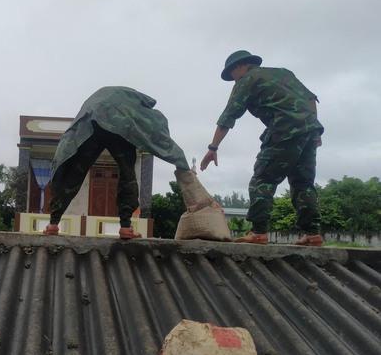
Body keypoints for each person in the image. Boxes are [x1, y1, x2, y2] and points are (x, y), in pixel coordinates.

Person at [200, 50, 324, 246]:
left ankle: (258, 232)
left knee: (262, 180)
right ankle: (313, 234)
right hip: (309, 131)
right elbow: (310, 99)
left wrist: (212, 147)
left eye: (232, 75)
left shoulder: (247, 80)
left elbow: (229, 116)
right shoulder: (284, 73)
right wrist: (315, 132)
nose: (233, 80)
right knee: (303, 183)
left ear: (240, 67)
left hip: (284, 130)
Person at [44, 86, 190, 239]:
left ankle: (53, 224)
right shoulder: (138, 107)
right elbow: (158, 137)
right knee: (127, 171)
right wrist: (181, 161)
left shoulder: (117, 96)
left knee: (75, 171)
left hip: (93, 121)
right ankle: (126, 227)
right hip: (117, 124)